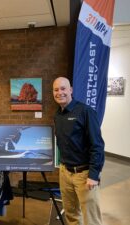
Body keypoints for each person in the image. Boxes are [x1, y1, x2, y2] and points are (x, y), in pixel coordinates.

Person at [53, 77, 105, 225]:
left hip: (84, 175)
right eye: (56, 90)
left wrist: (94, 175)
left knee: (91, 219)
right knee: (71, 216)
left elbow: (97, 145)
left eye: (63, 88)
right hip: (65, 172)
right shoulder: (57, 115)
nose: (60, 92)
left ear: (71, 90)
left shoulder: (85, 111)